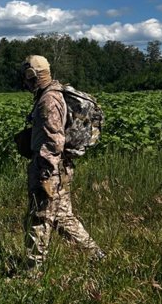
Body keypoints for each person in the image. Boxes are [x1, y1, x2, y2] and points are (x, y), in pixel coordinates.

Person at [21, 55, 104, 266]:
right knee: (62, 217)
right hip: (59, 167)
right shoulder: (52, 94)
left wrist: (44, 173)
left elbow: (54, 141)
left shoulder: (49, 100)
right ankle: (95, 256)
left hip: (49, 169)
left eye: (27, 76)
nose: (25, 81)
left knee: (39, 218)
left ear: (33, 76)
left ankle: (32, 272)